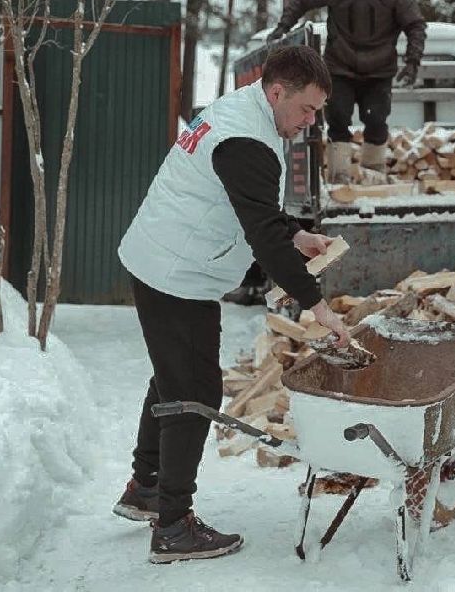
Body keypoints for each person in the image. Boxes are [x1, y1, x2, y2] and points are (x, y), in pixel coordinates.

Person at [112, 45, 350, 563]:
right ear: (277, 91)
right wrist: (317, 305)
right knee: (195, 392)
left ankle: (147, 488)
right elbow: (261, 233)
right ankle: (173, 526)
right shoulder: (246, 138)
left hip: (167, 260)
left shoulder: (247, 114)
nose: (310, 122)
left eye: (317, 113)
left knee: (172, 379)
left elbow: (249, 205)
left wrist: (295, 233)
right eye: (306, 110)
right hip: (176, 272)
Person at [267, 0, 427, 182]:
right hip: (339, 66)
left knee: (376, 119)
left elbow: (415, 24)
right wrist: (283, 27)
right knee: (338, 118)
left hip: (379, 69)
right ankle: (338, 175)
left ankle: (373, 174)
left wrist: (413, 61)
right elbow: (302, 1)